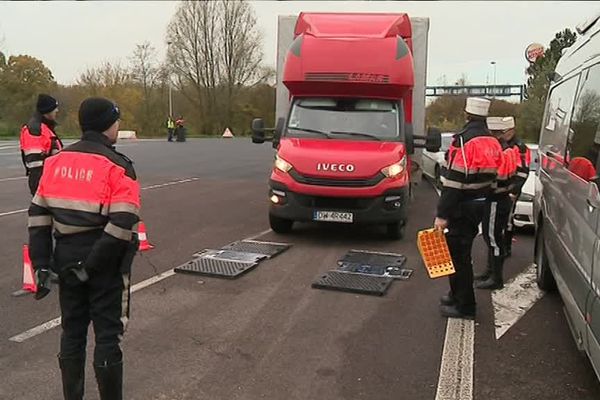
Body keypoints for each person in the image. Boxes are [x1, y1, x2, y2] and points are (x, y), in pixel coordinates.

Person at [28, 97, 141, 400]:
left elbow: (38, 218)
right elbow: (121, 226)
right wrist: (89, 268)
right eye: (116, 121)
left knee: (72, 332)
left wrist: (41, 265)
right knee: (107, 336)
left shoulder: (55, 163)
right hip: (104, 266)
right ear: (108, 125)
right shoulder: (119, 167)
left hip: (65, 259)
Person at [435, 97, 503, 319]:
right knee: (460, 254)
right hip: (480, 204)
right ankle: (455, 295)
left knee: (458, 257)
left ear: (467, 114)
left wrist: (442, 214)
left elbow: (453, 182)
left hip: (461, 206)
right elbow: (495, 177)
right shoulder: (493, 141)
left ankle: (464, 306)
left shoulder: (463, 141)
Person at [475, 117, 518, 290]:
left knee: (493, 239)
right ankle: (489, 272)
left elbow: (497, 178)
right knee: (491, 238)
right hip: (498, 199)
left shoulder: (503, 152)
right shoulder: (506, 150)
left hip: (496, 200)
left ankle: (496, 278)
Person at [20, 94, 63, 195]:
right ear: (47, 110)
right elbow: (35, 164)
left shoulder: (45, 128)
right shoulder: (35, 130)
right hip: (44, 183)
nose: (57, 111)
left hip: (51, 181)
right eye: (54, 108)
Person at [503, 120, 531, 256]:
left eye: (506, 131)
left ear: (512, 130)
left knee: (508, 219)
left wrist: (514, 191)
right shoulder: (504, 144)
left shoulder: (519, 147)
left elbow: (523, 171)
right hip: (503, 187)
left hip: (512, 189)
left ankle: (506, 247)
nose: (504, 134)